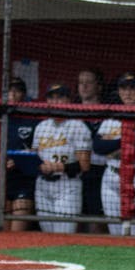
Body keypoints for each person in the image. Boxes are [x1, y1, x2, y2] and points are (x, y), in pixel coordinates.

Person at [94, 72, 135, 236]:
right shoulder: (111, 118)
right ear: (119, 91)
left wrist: (114, 146)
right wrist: (125, 142)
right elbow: (98, 147)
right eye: (124, 88)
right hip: (112, 177)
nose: (128, 93)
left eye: (132, 88)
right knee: (115, 232)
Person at [31, 83, 91, 234]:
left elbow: (85, 165)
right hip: (42, 185)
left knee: (64, 235)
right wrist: (38, 165)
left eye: (60, 97)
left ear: (68, 100)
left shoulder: (78, 126)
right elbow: (33, 157)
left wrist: (60, 167)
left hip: (67, 185)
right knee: (47, 235)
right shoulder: (41, 127)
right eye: (51, 98)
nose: (55, 102)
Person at [0, 77, 39, 231]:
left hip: (24, 180)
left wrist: (20, 160)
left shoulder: (32, 118)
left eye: (17, 91)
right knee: (4, 233)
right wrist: (1, 162)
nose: (13, 94)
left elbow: (38, 151)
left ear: (24, 94)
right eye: (9, 91)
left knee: (17, 232)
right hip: (2, 179)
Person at [77, 69, 107, 233]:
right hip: (74, 170)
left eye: (89, 82)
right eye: (81, 82)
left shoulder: (107, 112)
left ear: (99, 86)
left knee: (96, 218)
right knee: (73, 217)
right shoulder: (70, 112)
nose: (84, 86)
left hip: (99, 170)